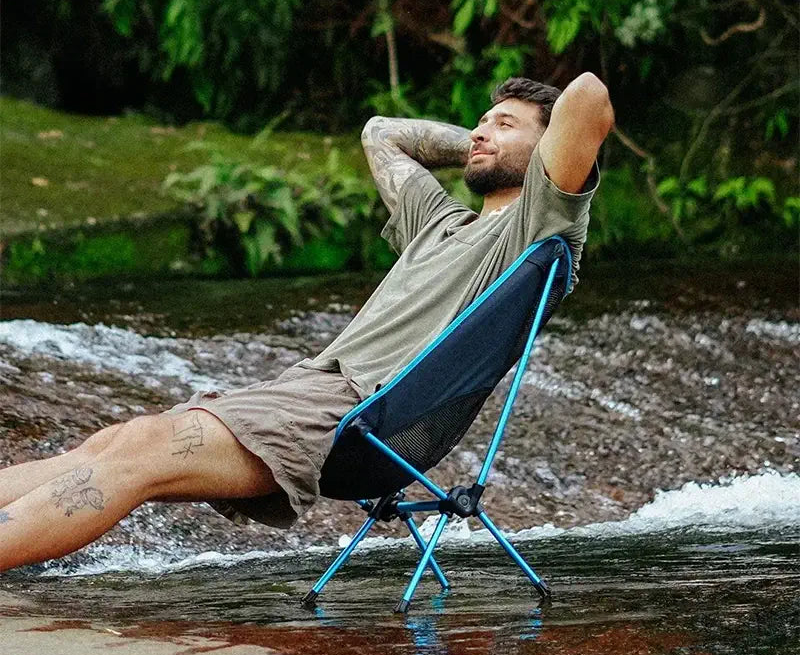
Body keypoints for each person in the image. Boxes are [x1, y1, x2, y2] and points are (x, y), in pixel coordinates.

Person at [0, 73, 613, 572]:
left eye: (504, 125)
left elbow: (588, 98)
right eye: (481, 121)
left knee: (140, 452)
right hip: (310, 390)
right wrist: (484, 144)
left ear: (548, 152)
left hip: (359, 416)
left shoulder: (536, 224)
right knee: (117, 441)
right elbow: (382, 135)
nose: (482, 132)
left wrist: (536, 156)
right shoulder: (439, 221)